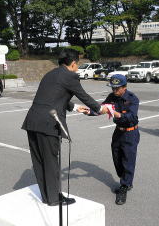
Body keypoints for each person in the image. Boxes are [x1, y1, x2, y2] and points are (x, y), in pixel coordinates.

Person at [21, 48, 108, 206]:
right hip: (49, 123)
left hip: (32, 121)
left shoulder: (50, 74)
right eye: (78, 64)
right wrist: (100, 109)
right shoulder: (70, 76)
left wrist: (75, 108)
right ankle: (54, 199)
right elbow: (84, 96)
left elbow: (54, 96)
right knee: (51, 162)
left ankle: (47, 197)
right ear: (74, 63)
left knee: (39, 161)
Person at [85, 74, 140, 205]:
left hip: (130, 133)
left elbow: (131, 117)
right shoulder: (112, 97)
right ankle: (125, 179)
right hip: (118, 132)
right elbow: (102, 109)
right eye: (112, 88)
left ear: (124, 87)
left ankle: (125, 186)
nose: (114, 91)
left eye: (117, 88)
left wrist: (114, 112)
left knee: (128, 159)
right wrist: (89, 112)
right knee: (116, 157)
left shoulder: (132, 99)